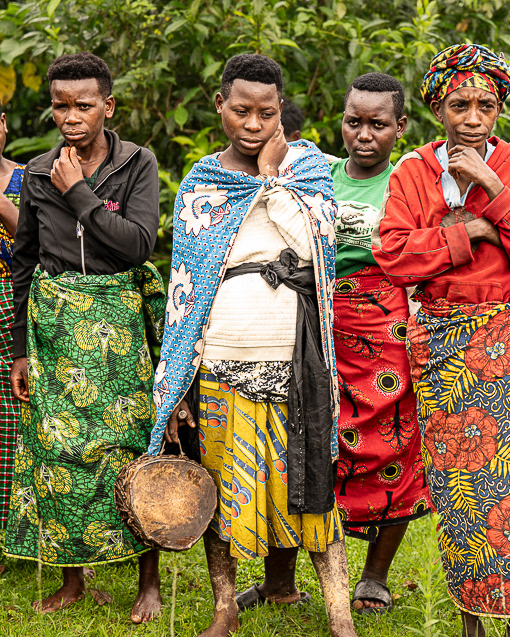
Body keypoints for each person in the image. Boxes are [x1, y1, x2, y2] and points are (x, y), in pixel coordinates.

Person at [373, 44, 510, 637]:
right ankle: (473, 619)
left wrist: (490, 188)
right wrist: (473, 235)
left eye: (486, 104)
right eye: (459, 103)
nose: (473, 116)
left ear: (499, 108)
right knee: (461, 488)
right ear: (439, 108)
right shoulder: (413, 171)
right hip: (443, 345)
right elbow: (393, 255)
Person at [153, 53, 356, 637]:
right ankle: (225, 609)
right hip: (220, 362)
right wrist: (180, 382)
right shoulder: (202, 181)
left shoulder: (309, 170)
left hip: (296, 365)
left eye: (266, 113)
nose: (253, 123)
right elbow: (185, 292)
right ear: (220, 105)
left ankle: (340, 617)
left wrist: (272, 176)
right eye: (241, 110)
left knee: (312, 488)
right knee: (220, 489)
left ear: (280, 113)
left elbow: (316, 248)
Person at [5, 52, 164, 623]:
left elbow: (137, 245)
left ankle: (148, 579)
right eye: (61, 105)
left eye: (84, 105)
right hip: (54, 326)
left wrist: (79, 193)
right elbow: (24, 261)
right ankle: (73, 579)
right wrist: (20, 349)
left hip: (117, 325)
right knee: (58, 449)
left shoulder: (137, 164)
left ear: (108, 106)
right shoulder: (38, 171)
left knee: (132, 445)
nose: (71, 116)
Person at [333, 72, 431, 613]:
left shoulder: (408, 184)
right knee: (313, 440)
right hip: (319, 321)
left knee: (393, 441)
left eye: (378, 124)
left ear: (401, 127)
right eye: (354, 122)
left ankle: (375, 575)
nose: (364, 134)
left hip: (388, 326)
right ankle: (292, 574)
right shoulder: (318, 176)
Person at [0, 111, 24, 530]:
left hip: (16, 307)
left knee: (15, 415)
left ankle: (15, 525)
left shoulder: (29, 178)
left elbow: (39, 243)